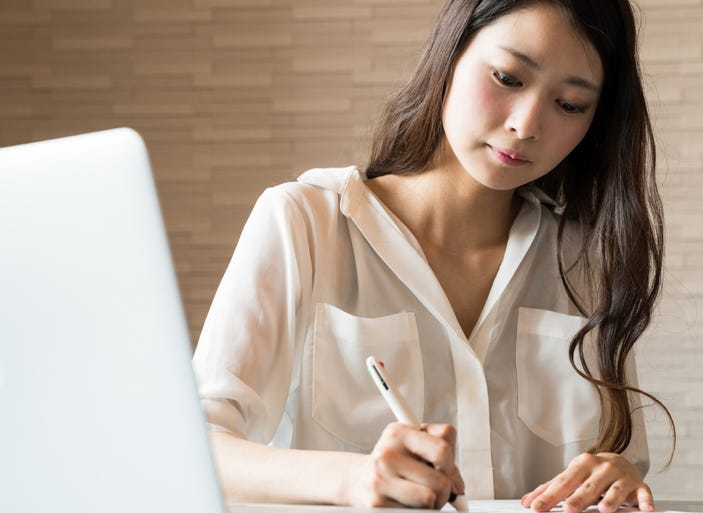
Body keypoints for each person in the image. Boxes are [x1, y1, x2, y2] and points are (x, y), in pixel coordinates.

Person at [192, 0, 675, 512]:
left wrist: (615, 474)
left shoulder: (586, 261)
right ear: (450, 56)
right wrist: (353, 480)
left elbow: (618, 459)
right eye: (508, 77)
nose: (526, 123)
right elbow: (197, 444)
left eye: (571, 104)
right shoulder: (305, 221)